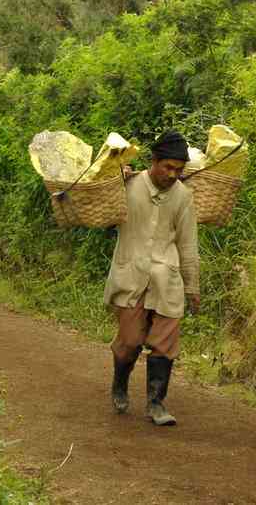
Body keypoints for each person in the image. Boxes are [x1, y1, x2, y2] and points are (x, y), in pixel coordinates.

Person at [104, 130, 200, 426]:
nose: (173, 174)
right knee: (130, 341)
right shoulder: (128, 185)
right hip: (131, 275)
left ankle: (156, 403)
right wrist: (113, 179)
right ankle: (120, 384)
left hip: (167, 280)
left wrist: (192, 286)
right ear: (153, 162)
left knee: (164, 343)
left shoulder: (183, 197)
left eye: (179, 170)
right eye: (168, 167)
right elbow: (103, 211)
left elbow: (187, 244)